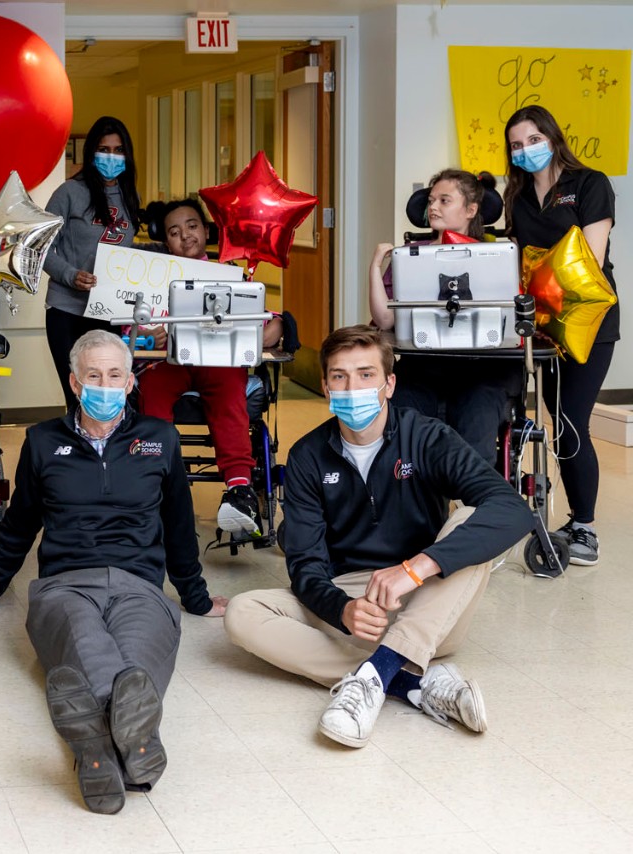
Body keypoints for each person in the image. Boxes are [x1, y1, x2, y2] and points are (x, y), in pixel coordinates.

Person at [0, 329, 227, 815]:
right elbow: (20, 523)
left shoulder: (161, 440)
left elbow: (178, 526)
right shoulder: (43, 441)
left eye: (116, 374)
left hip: (139, 586)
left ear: (131, 382)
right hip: (64, 587)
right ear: (74, 382)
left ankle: (97, 756)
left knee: (137, 658)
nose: (105, 384)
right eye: (94, 375)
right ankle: (134, 748)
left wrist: (195, 597)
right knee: (90, 643)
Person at [224, 325, 533, 749]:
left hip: (430, 596)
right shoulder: (307, 456)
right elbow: (306, 566)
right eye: (340, 376)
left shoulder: (427, 437)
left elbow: (513, 509)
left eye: (366, 374)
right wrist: (343, 610)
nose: (352, 387)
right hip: (356, 599)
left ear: (389, 383)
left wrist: (415, 569)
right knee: (243, 612)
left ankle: (377, 672)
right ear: (325, 386)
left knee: (475, 520)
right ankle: (407, 679)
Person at [137, 198, 298, 536]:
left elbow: (268, 322)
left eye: (192, 226)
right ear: (166, 241)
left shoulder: (231, 274)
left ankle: (240, 491)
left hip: (218, 361)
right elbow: (131, 331)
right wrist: (145, 334)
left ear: (206, 230)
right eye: (175, 232)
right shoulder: (150, 278)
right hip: (170, 361)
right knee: (152, 391)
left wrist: (275, 328)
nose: (185, 236)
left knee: (228, 388)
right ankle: (156, 485)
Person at [504, 105, 618, 566]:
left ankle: (585, 528)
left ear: (552, 137)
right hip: (540, 325)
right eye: (515, 144)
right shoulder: (517, 197)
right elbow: (515, 261)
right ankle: (548, 514)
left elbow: (590, 259)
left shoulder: (589, 184)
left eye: (533, 139)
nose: (525, 150)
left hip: (589, 321)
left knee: (572, 423)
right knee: (554, 423)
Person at [367, 169, 521, 467]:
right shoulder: (409, 256)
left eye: (444, 200)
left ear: (471, 209)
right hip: (425, 367)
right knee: (401, 425)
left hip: (484, 370)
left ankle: (475, 507)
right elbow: (385, 320)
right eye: (431, 200)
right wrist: (375, 266)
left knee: (476, 425)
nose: (433, 207)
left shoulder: (496, 255)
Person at [44, 116, 141, 410]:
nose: (111, 157)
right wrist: (70, 275)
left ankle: (106, 454)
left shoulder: (130, 196)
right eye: (104, 149)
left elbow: (127, 251)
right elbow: (41, 248)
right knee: (77, 394)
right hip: (67, 310)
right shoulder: (69, 193)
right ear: (91, 152)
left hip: (110, 311)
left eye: (118, 150)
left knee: (108, 396)